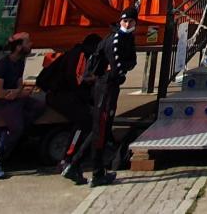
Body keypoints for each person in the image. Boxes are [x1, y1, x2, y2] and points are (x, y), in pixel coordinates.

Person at [76, 11, 141, 186]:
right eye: (125, 21)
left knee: (101, 129)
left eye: (131, 21)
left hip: (110, 86)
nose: (127, 24)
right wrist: (121, 72)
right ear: (121, 21)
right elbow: (117, 65)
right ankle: (94, 171)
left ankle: (76, 164)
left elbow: (131, 61)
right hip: (105, 87)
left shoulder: (127, 38)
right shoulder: (116, 39)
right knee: (101, 129)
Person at [0, 34, 47, 180]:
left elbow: (19, 85)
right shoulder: (2, 65)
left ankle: (15, 135)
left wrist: (18, 93)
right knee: (17, 127)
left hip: (14, 99)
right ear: (19, 47)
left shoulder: (20, 62)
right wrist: (17, 93)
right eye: (28, 42)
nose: (31, 44)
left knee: (39, 106)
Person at [40, 33, 99, 181]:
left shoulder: (76, 53)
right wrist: (88, 95)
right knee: (85, 121)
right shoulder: (80, 55)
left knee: (86, 118)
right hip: (60, 96)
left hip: (59, 94)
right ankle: (69, 158)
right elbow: (75, 82)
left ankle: (70, 157)